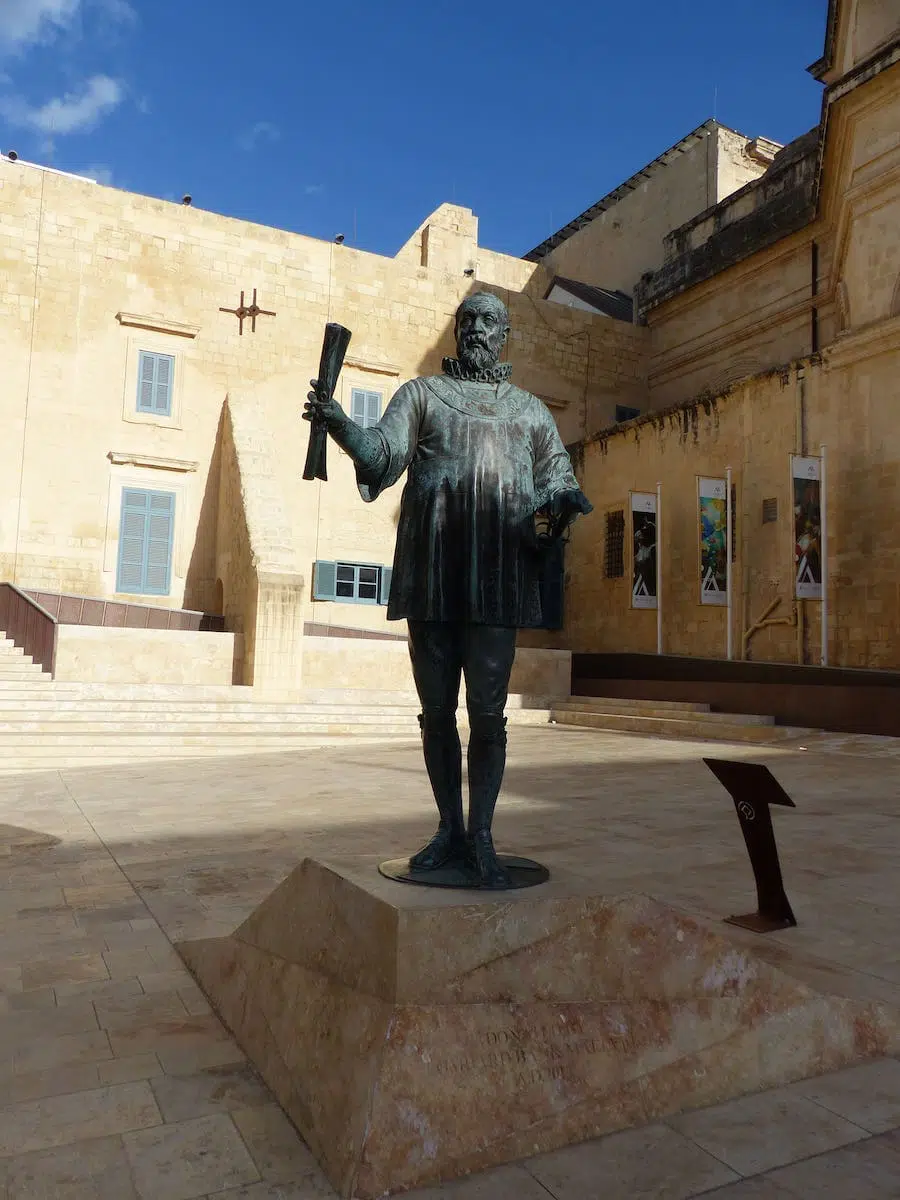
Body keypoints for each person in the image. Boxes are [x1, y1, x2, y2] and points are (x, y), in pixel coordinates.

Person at [304, 291, 592, 887]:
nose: (473, 329)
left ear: (504, 332)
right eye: (464, 321)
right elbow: (383, 457)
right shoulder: (420, 396)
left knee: (487, 717)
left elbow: (560, 480)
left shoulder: (531, 412)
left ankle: (482, 834)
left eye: (486, 320)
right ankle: (447, 830)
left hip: (497, 578)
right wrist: (339, 424)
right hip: (433, 572)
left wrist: (559, 506)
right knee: (437, 714)